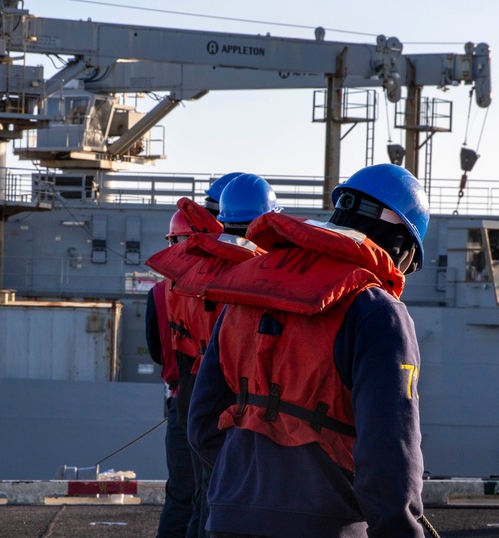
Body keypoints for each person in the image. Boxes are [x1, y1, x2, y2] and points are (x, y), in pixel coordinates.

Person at [188, 163, 430, 537]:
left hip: (229, 518)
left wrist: (247, 486)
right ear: (400, 245)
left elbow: (202, 423)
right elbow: (389, 452)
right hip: (325, 525)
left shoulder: (247, 290)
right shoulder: (377, 311)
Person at [149, 174, 282, 538]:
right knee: (222, 500)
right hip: (239, 403)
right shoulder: (258, 275)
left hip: (190, 397)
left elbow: (161, 350)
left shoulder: (175, 281)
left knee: (188, 496)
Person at [146, 200, 223, 538]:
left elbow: (156, 352)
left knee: (181, 495)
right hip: (222, 408)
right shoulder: (228, 287)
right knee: (212, 497)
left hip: (181, 403)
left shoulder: (160, 293)